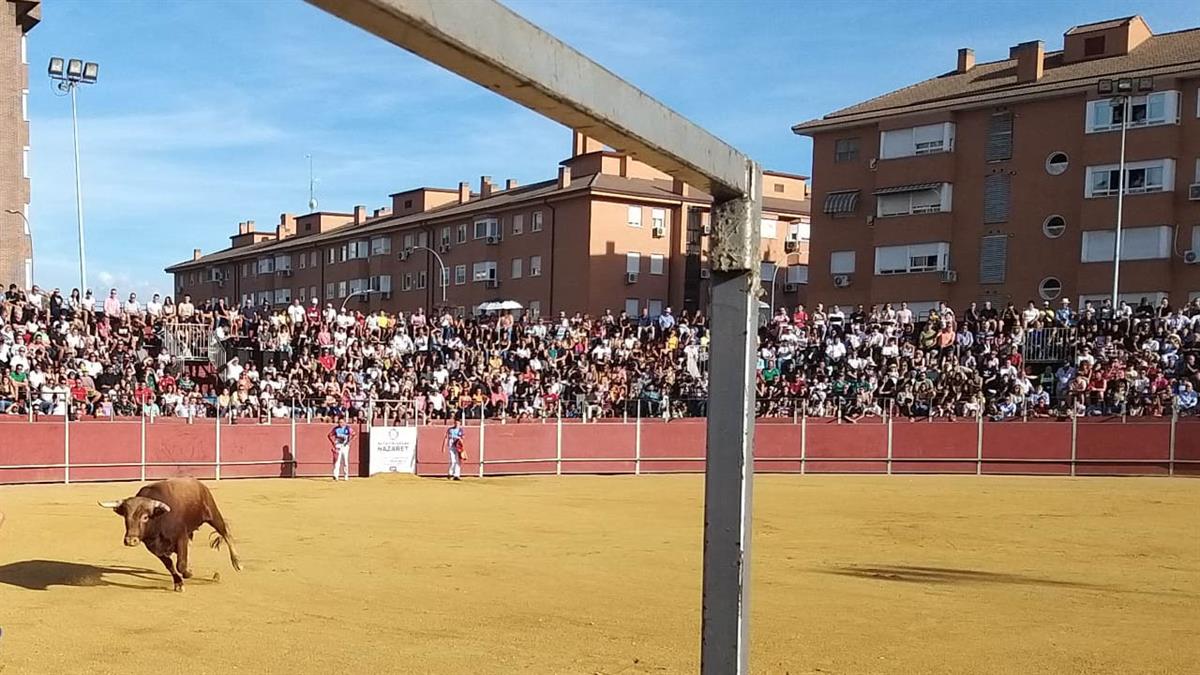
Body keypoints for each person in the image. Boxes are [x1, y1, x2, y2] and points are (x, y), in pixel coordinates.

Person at [327, 415, 354, 481]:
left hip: (345, 446)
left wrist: (349, 441)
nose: (340, 424)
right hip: (338, 445)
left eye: (342, 422)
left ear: (345, 422)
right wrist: (333, 443)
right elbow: (329, 435)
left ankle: (346, 475)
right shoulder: (336, 429)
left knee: (345, 461)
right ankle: (335, 475)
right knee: (337, 461)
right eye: (339, 422)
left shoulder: (348, 428)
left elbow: (353, 434)